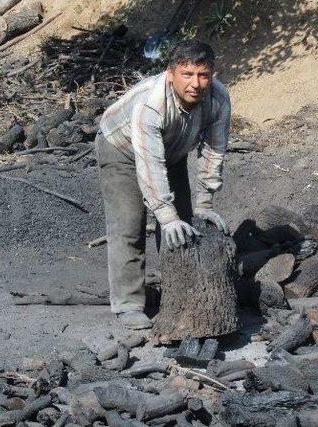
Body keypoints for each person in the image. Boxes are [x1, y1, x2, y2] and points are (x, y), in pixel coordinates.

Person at [95, 40, 231, 330]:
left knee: (183, 223)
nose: (195, 83)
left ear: (212, 75)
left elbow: (214, 149)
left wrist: (204, 202)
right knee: (129, 223)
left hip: (172, 149)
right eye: (187, 75)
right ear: (171, 74)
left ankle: (177, 293)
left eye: (203, 75)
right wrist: (164, 215)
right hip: (121, 148)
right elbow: (149, 163)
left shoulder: (218, 98)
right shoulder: (151, 102)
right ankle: (129, 304)